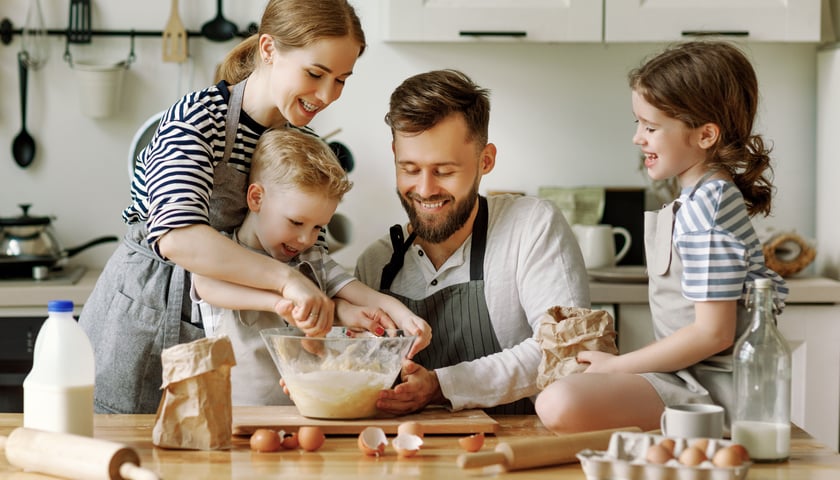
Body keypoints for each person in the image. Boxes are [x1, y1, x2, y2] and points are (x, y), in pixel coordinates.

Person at [78, 0, 367, 414]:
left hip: (220, 335)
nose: (327, 95)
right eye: (315, 74)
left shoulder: (285, 136)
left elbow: (304, 249)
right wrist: (286, 282)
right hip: (143, 327)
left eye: (341, 79)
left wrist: (348, 302)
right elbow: (180, 239)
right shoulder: (197, 118)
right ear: (268, 49)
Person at [535, 41, 789, 433]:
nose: (639, 138)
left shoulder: (709, 208)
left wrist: (618, 366)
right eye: (638, 123)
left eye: (651, 127)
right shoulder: (700, 196)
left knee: (558, 402)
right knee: (563, 395)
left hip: (714, 389)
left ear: (705, 135)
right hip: (686, 377)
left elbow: (713, 332)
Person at [353, 69, 591, 416]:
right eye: (409, 168)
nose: (424, 188)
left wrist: (441, 386)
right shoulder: (376, 264)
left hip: (519, 450)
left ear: (486, 160)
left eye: (444, 171)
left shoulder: (530, 227)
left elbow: (566, 348)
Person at [191, 128, 431, 406]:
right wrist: (278, 303)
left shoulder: (313, 257)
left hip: (308, 412)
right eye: (295, 222)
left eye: (318, 227)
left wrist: (405, 319)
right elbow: (205, 284)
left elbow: (361, 293)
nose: (306, 239)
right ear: (256, 198)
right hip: (236, 419)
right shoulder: (224, 254)